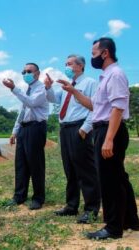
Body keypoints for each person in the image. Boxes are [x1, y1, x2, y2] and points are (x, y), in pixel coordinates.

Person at [59, 37, 139, 240]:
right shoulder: (106, 76)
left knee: (109, 181)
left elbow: (118, 107)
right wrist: (75, 92)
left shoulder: (116, 75)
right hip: (105, 128)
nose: (92, 57)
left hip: (109, 129)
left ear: (105, 53)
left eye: (94, 54)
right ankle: (130, 219)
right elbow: (96, 106)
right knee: (119, 177)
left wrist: (109, 138)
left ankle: (113, 228)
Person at [44, 55, 100, 224]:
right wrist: (48, 88)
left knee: (85, 170)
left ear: (80, 66)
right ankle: (71, 205)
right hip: (65, 129)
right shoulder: (67, 86)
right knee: (70, 169)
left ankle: (91, 209)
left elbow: (95, 107)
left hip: (79, 128)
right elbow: (55, 99)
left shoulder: (90, 83)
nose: (66, 66)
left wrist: (85, 128)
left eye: (69, 64)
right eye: (65, 64)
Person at [2, 62, 49, 210]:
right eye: (24, 72)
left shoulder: (41, 89)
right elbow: (22, 113)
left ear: (37, 73)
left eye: (29, 71)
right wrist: (14, 131)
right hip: (24, 129)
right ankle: (19, 196)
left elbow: (32, 103)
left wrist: (14, 89)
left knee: (36, 164)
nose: (26, 74)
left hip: (36, 128)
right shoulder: (26, 91)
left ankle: (38, 198)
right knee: (21, 164)